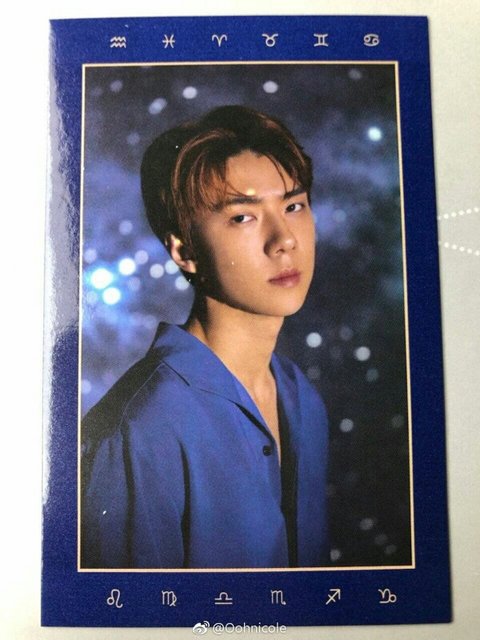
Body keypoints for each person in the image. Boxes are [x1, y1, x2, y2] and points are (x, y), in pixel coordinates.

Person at [81, 105, 329, 569]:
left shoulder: (302, 400)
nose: (284, 239)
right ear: (184, 250)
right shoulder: (141, 427)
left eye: (293, 206)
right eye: (243, 217)